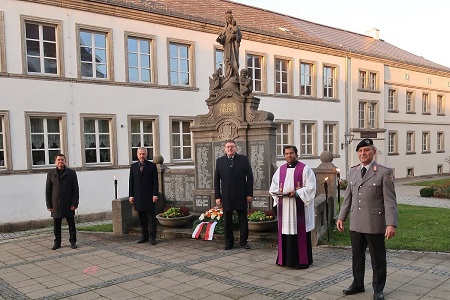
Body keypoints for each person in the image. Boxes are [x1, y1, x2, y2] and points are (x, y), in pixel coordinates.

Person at [336, 139, 398, 300]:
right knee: (357, 257)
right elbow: (348, 197)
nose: (363, 153)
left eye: (366, 150)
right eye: (360, 151)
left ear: (374, 152)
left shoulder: (384, 172)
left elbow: (390, 201)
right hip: (356, 223)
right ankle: (358, 284)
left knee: (377, 258)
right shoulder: (353, 171)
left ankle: (378, 289)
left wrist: (391, 224)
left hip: (374, 223)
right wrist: (341, 217)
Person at [269, 145, 316, 269]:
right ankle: (284, 259)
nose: (289, 155)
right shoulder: (280, 170)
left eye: (291, 153)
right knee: (286, 232)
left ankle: (302, 260)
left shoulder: (305, 169)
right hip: (285, 207)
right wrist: (278, 193)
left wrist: (297, 193)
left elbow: (311, 188)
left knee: (299, 232)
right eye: (286, 153)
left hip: (298, 206)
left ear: (296, 154)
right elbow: (273, 187)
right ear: (284, 156)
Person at [214, 139, 253, 250]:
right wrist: (218, 196)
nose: (230, 149)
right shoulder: (220, 161)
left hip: (241, 194)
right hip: (226, 195)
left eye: (232, 147)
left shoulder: (243, 160)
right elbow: (216, 180)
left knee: (243, 220)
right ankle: (229, 242)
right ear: (225, 149)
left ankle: (243, 241)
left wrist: (249, 194)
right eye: (228, 147)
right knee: (227, 221)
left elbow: (250, 177)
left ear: (236, 148)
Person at [45, 153, 79, 250]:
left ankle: (73, 241)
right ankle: (57, 242)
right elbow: (48, 190)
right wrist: (49, 205)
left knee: (71, 224)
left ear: (65, 161)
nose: (60, 161)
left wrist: (74, 203)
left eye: (62, 160)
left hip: (69, 203)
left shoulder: (71, 173)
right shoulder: (51, 173)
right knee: (57, 224)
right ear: (55, 161)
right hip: (56, 203)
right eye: (58, 160)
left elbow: (75, 189)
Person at [129, 147, 159, 245]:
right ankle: (144, 236)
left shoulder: (152, 166)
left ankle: (152, 237)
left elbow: (155, 182)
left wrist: (155, 194)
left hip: (149, 197)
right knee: (142, 219)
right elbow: (131, 182)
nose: (142, 156)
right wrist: (131, 195)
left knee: (151, 219)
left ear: (146, 154)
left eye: (143, 154)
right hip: (138, 197)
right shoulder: (133, 167)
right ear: (137, 155)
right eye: (140, 154)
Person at [216, 10, 242, 80]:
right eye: (227, 19)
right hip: (227, 47)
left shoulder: (236, 28)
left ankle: (234, 75)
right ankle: (228, 75)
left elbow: (239, 37)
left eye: (229, 18)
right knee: (227, 60)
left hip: (234, 47)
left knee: (234, 61)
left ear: (232, 18)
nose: (228, 20)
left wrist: (235, 37)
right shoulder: (225, 29)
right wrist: (220, 40)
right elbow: (223, 38)